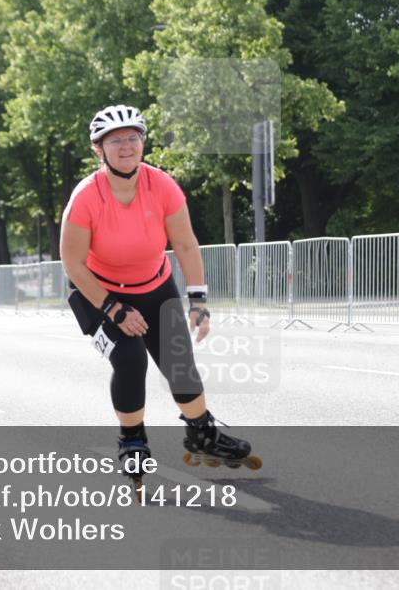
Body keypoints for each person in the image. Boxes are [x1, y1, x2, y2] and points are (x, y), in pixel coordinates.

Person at [60, 105, 260, 491]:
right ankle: (132, 439)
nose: (126, 146)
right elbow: (72, 262)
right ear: (98, 150)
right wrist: (113, 309)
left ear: (143, 143)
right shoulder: (86, 197)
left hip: (154, 285)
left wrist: (198, 302)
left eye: (133, 138)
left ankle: (203, 435)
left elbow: (185, 244)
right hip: (98, 293)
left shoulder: (162, 185)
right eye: (115, 140)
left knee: (180, 363)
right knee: (131, 359)